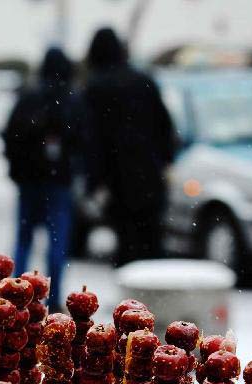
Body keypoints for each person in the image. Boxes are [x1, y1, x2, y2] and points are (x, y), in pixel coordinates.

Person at [83, 27, 176, 264]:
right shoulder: (144, 81)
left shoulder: (95, 87)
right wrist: (165, 160)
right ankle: (153, 293)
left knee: (126, 242)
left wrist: (94, 180)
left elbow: (91, 139)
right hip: (149, 172)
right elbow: (165, 126)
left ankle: (131, 297)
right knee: (151, 240)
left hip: (117, 177)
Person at [3, 47, 84, 312]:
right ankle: (54, 295)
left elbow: (11, 136)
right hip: (59, 181)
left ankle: (16, 295)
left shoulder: (29, 98)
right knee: (57, 243)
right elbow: (83, 140)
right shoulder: (71, 100)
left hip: (29, 180)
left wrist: (17, 170)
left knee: (23, 239)